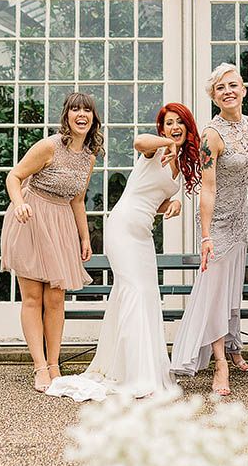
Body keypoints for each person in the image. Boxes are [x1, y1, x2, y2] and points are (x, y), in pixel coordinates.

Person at [47, 103, 202, 401]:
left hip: (143, 235)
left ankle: (134, 369)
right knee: (133, 292)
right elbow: (138, 141)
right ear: (163, 129)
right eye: (169, 123)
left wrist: (172, 204)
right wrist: (166, 142)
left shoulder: (181, 167)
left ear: (188, 127)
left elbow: (151, 200)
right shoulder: (155, 150)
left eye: (179, 123)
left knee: (142, 296)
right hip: (121, 229)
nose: (174, 128)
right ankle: (134, 375)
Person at [0, 92, 101, 393]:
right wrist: (18, 204)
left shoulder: (89, 158)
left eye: (87, 110)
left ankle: (55, 363)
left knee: (56, 298)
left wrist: (84, 237)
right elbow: (14, 176)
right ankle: (40, 366)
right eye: (75, 109)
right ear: (67, 116)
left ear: (93, 119)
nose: (81, 114)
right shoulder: (48, 146)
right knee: (33, 297)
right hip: (31, 218)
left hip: (61, 224)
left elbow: (79, 199)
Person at [170, 64, 248, 396]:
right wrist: (206, 235)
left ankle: (233, 344)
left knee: (230, 288)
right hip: (218, 224)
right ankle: (220, 363)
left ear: (243, 90)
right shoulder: (212, 135)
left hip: (242, 220)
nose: (228, 91)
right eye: (220, 88)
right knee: (214, 293)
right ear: (214, 96)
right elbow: (207, 189)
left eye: (233, 85)